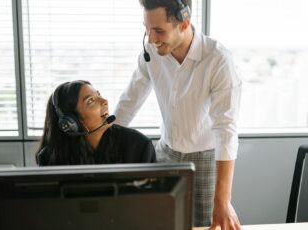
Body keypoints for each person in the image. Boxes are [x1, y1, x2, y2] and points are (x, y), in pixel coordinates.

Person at [114, 0, 241, 229]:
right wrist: (100, 140)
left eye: (159, 30)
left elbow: (226, 128)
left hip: (206, 159)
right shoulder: (151, 52)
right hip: (166, 153)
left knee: (205, 225)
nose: (151, 39)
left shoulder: (218, 59)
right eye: (147, 29)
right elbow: (129, 102)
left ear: (184, 23)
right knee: (162, 223)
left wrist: (223, 200)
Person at [36, 80, 156, 165]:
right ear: (71, 122)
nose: (104, 101)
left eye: (99, 95)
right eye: (91, 101)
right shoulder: (50, 157)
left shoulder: (138, 145)